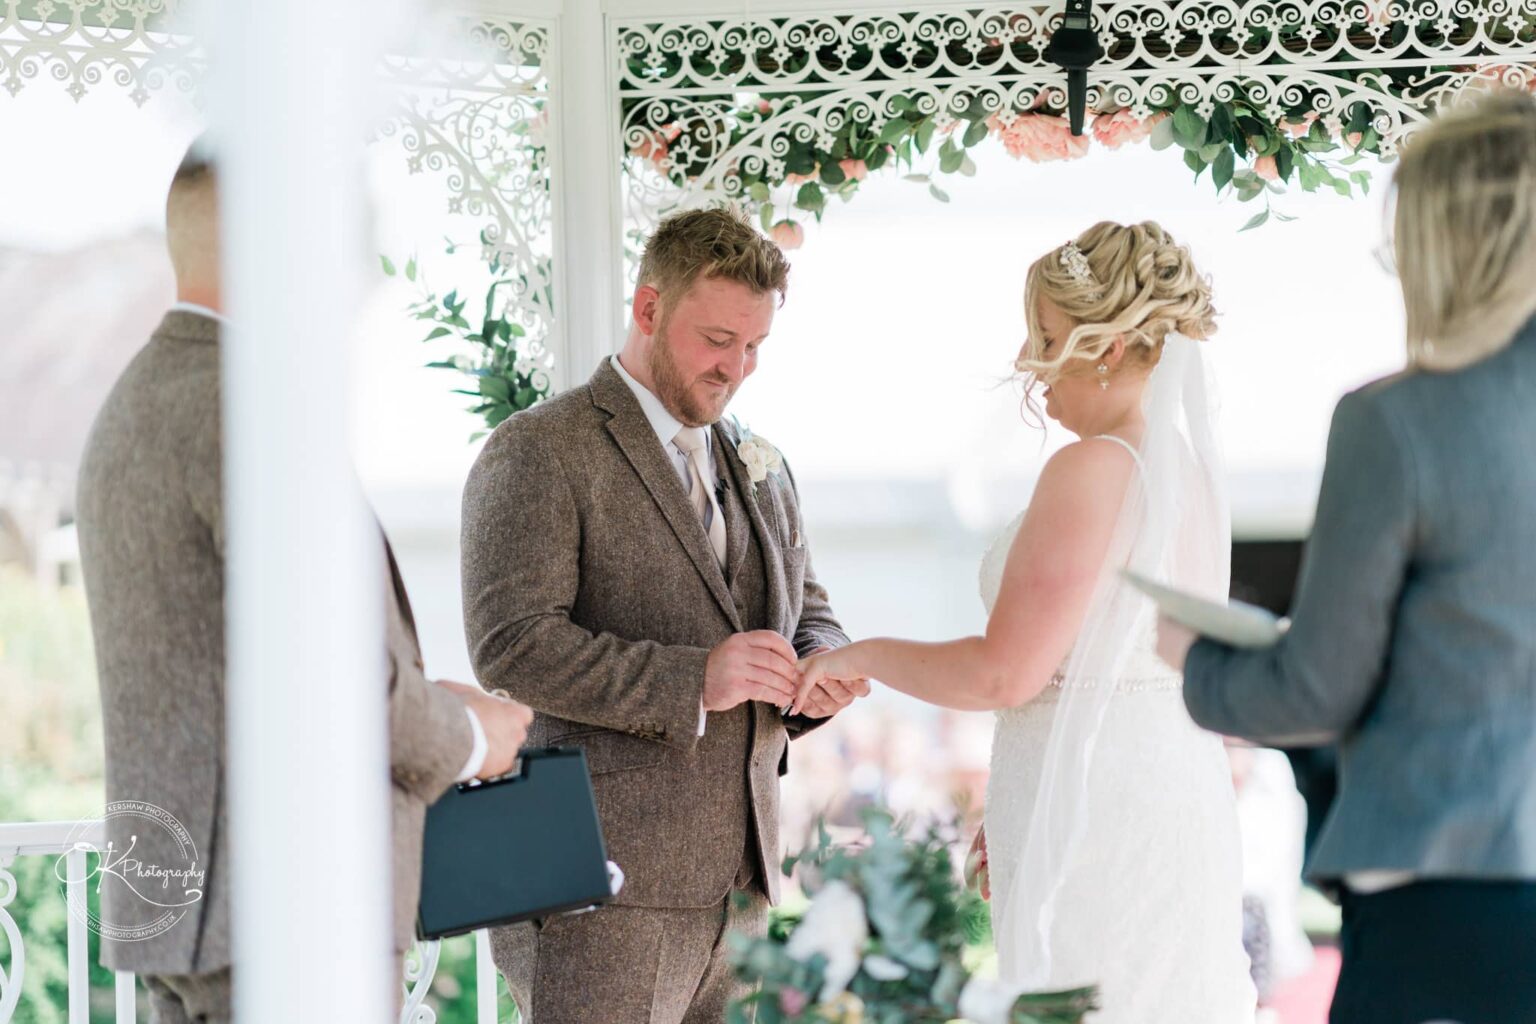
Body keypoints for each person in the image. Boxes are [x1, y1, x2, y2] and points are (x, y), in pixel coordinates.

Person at [75, 138, 533, 1023]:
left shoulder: (138, 402)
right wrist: (474, 738)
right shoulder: (250, 411)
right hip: (286, 913)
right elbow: (332, 683)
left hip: (187, 906)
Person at [796, 221, 1255, 1021]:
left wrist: (859, 654)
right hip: (1163, 800)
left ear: (1106, 347)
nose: (1024, 360)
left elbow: (1005, 673)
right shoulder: (1190, 477)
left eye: (1043, 336)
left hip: (1102, 827)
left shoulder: (1093, 467)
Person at [1160, 90, 1536, 1024]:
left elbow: (1313, 693)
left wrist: (1194, 656)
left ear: (1449, 246)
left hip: (1451, 900)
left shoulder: (1399, 421)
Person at [462, 205, 864, 1023]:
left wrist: (825, 664)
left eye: (754, 347)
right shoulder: (540, 449)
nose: (737, 368)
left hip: (742, 889)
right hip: (594, 883)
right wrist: (693, 681)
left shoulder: (763, 463)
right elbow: (511, 646)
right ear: (648, 309)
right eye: (718, 340)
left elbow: (807, 605)